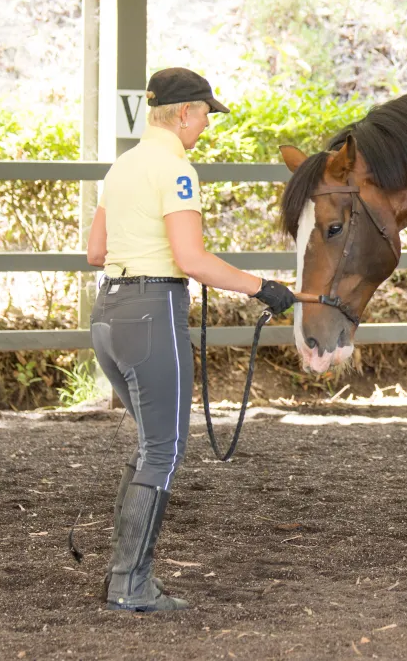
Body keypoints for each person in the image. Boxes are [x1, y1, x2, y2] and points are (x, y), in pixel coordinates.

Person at [85, 67, 295, 612]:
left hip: (108, 314)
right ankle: (130, 585)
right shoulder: (177, 168)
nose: (206, 124)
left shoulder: (124, 165)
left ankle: (122, 576)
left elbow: (94, 251)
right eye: (204, 113)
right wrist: (264, 287)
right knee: (164, 449)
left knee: (150, 445)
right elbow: (192, 259)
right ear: (183, 112)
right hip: (153, 314)